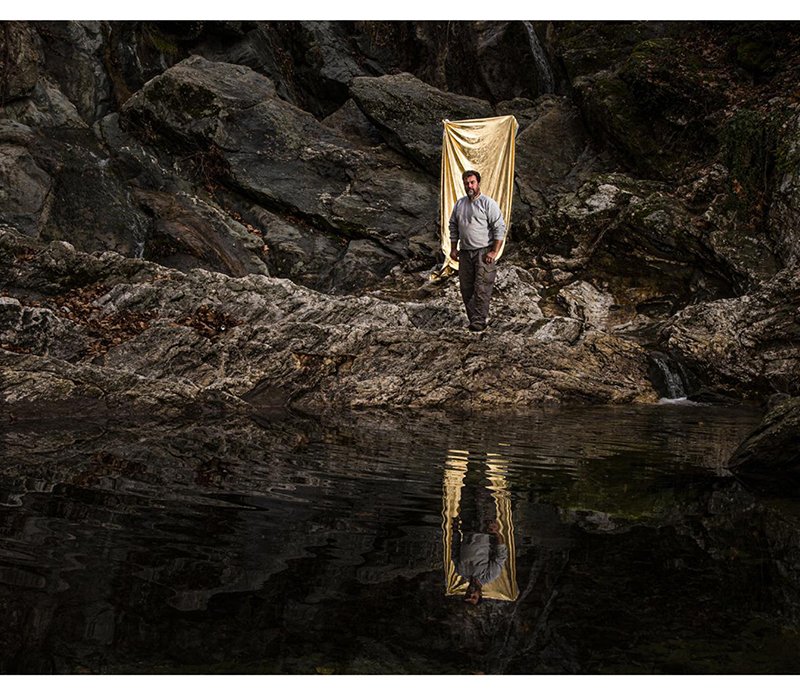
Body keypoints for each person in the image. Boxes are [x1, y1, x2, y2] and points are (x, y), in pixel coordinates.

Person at [448, 170, 506, 332]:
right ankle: (473, 318)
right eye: (467, 183)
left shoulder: (488, 203)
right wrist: (453, 248)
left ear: (478, 183)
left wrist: (494, 252)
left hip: (483, 252)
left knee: (482, 287)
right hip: (465, 253)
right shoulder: (460, 204)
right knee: (466, 288)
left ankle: (479, 321)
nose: (469, 186)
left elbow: (499, 227)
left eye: (472, 182)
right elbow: (453, 225)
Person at [452, 520, 508, 606]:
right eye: (474, 597)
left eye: (467, 595)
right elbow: (501, 555)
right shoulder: (490, 575)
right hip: (486, 529)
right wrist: (496, 533)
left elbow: (455, 550)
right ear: (480, 594)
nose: (471, 594)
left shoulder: (461, 571)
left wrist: (455, 530)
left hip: (466, 529)